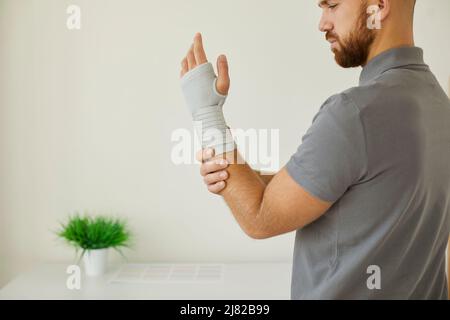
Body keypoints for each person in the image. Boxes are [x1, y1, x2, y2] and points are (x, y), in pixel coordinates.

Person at [179, 0, 450, 299]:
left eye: (332, 5)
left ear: (379, 6)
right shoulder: (438, 103)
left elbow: (260, 217)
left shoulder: (355, 113)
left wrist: (207, 113)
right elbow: (361, 191)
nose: (322, 23)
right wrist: (246, 178)